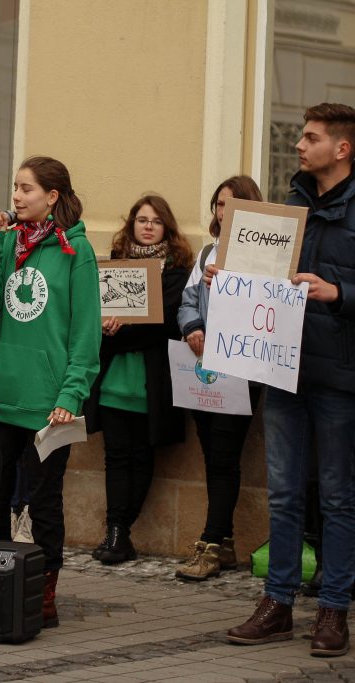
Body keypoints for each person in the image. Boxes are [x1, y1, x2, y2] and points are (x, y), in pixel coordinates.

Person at [227, 102, 355, 657]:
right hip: (282, 368)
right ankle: (277, 603)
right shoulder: (289, 207)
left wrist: (339, 293)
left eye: (310, 137)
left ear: (342, 148)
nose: (299, 146)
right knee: (281, 495)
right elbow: (261, 277)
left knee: (337, 498)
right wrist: (228, 272)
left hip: (340, 378)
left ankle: (333, 610)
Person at [0, 156, 100, 627]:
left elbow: (86, 333)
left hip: (51, 405)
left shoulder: (76, 251)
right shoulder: (7, 243)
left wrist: (71, 394)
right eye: (15, 187)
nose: (16, 196)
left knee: (43, 501)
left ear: (52, 196)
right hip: (5, 394)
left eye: (26, 189)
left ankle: (43, 589)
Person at [83, 195, 192, 564]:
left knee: (143, 458)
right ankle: (116, 533)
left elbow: (163, 325)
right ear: (131, 225)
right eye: (141, 220)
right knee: (116, 459)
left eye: (156, 221)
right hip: (114, 381)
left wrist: (123, 327)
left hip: (152, 383)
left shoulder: (177, 270)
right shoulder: (114, 266)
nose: (147, 226)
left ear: (166, 228)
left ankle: (122, 530)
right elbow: (94, 316)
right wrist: (108, 325)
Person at [175, 175, 264, 581]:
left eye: (230, 205)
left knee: (225, 456)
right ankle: (224, 543)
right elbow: (189, 299)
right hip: (204, 366)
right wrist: (192, 326)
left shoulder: (266, 257)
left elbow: (271, 309)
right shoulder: (207, 253)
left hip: (243, 370)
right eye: (218, 204)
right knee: (213, 454)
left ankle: (209, 545)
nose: (221, 212)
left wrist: (232, 281)